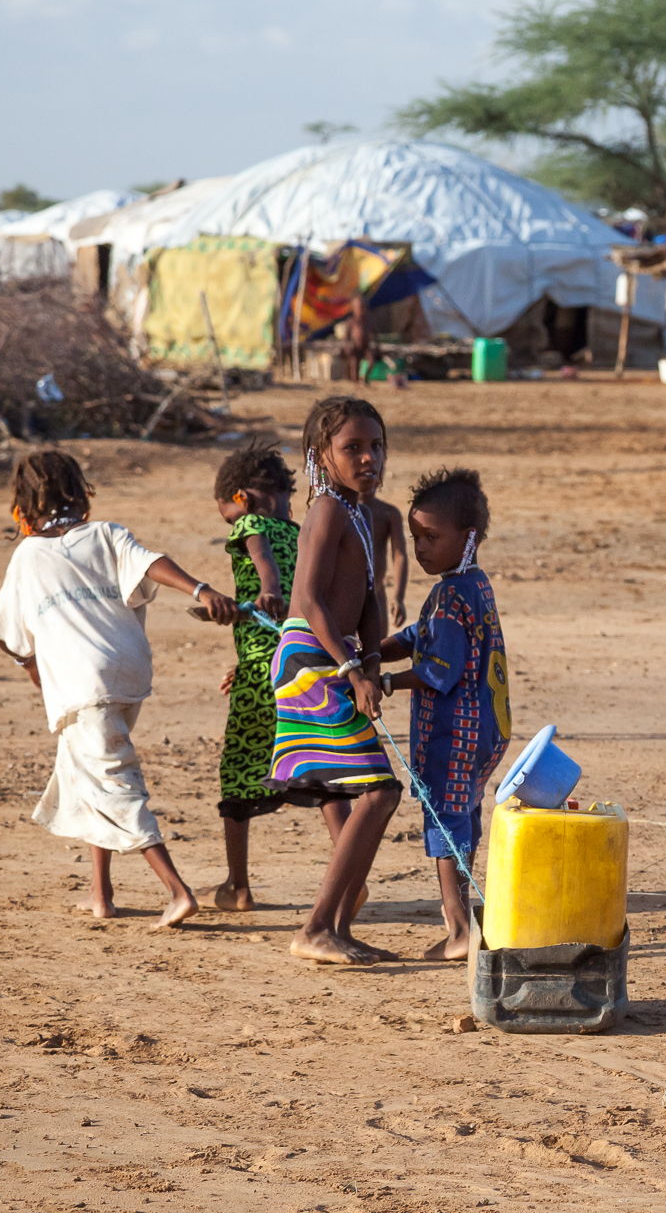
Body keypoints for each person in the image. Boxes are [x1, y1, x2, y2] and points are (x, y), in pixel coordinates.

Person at [0, 449, 239, 928]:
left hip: (83, 686)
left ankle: (177, 891)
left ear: (22, 507)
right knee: (87, 776)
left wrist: (32, 667)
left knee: (115, 784)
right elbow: (150, 564)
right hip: (127, 674)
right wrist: (201, 589)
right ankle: (100, 894)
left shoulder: (28, 557)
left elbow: (5, 633)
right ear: (82, 495)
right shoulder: (106, 534)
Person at [271, 395, 403, 964]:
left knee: (371, 792)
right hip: (311, 659)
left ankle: (337, 927)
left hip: (339, 656)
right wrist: (350, 669)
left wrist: (372, 662)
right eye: (352, 448)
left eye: (376, 447)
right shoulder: (326, 510)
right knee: (379, 790)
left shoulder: (360, 513)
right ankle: (318, 927)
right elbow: (308, 601)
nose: (368, 458)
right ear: (320, 457)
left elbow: (371, 600)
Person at [378, 467, 511, 960]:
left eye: (432, 537)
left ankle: (458, 928)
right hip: (487, 731)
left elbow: (437, 669)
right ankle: (467, 917)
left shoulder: (451, 595)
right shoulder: (473, 584)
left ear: (468, 537)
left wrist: (386, 680)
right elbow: (419, 636)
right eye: (416, 537)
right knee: (465, 816)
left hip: (455, 732)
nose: (421, 549)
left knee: (442, 820)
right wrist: (378, 650)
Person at [200, 437, 300, 912]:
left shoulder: (253, 522)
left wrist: (268, 587)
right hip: (303, 664)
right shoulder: (301, 534)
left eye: (229, 515)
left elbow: (261, 555)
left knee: (238, 773)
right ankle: (350, 881)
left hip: (264, 673)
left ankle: (237, 885)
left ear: (240, 498)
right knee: (320, 774)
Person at [365, 491, 409, 628]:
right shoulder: (337, 511)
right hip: (345, 596)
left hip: (377, 594)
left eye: (379, 468)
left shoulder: (387, 513)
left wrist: (398, 597)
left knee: (376, 645)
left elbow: (399, 554)